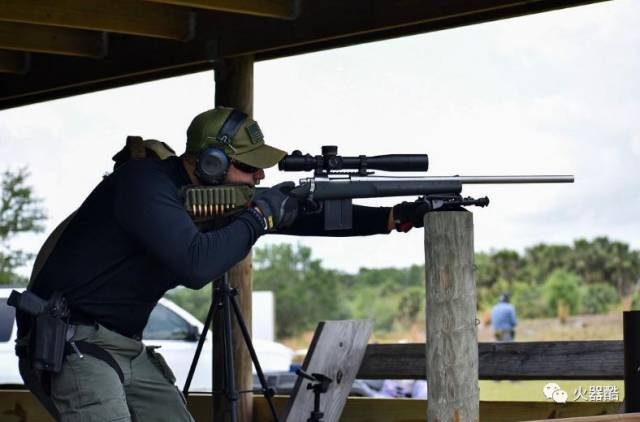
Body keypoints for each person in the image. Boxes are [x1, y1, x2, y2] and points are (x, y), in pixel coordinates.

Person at [15, 107, 432, 421]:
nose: (259, 177)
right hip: (74, 346)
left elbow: (298, 216)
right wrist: (260, 217)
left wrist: (389, 218)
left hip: (124, 348)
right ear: (210, 162)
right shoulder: (142, 184)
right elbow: (197, 266)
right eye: (249, 167)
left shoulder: (203, 196)